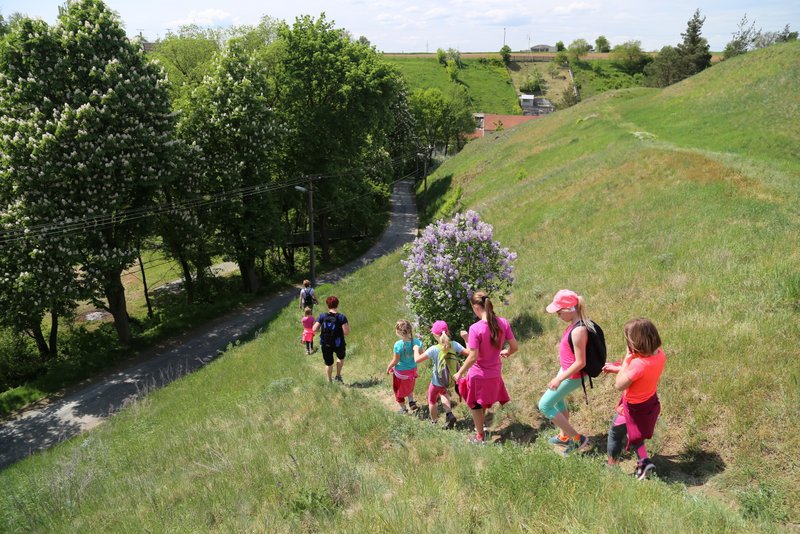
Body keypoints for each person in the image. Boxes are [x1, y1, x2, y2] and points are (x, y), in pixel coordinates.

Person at [602, 317, 666, 480]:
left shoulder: (637, 364)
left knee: (615, 434)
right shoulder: (659, 355)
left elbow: (620, 385)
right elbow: (639, 376)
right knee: (635, 434)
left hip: (631, 408)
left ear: (634, 343)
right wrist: (617, 368)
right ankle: (644, 462)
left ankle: (612, 467)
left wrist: (625, 359)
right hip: (648, 401)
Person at [453, 291, 518, 443]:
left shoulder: (475, 328)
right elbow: (514, 346)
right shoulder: (503, 322)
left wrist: (460, 372)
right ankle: (481, 429)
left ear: (476, 307)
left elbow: (473, 356)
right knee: (482, 402)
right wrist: (507, 352)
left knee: (475, 406)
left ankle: (479, 437)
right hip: (495, 373)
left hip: (478, 375)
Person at [538, 289, 593, 456]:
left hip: (573, 376)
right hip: (566, 371)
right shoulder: (574, 326)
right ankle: (563, 436)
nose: (558, 315)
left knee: (545, 405)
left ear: (569, 309)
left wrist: (559, 378)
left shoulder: (578, 330)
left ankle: (577, 439)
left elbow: (580, 362)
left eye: (559, 312)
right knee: (559, 401)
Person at [414, 320, 468, 428]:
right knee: (444, 393)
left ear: (434, 335)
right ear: (447, 332)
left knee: (432, 400)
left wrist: (415, 349)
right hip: (451, 379)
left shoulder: (434, 349)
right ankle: (449, 414)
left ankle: (434, 422)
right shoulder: (454, 344)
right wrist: (466, 339)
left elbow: (417, 360)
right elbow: (469, 353)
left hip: (437, 381)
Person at [385, 320, 422, 414]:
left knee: (398, 391)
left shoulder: (398, 344)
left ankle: (403, 409)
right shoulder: (417, 342)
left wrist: (389, 367)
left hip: (400, 373)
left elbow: (396, 361)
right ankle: (411, 401)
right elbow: (421, 355)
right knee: (409, 387)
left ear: (398, 332)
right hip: (412, 371)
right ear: (410, 330)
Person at [313, 296, 349, 383]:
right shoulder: (341, 317)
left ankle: (329, 380)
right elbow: (346, 332)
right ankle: (338, 376)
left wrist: (324, 331)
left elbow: (314, 329)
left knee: (328, 363)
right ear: (337, 304)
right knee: (340, 358)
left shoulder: (322, 316)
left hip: (326, 343)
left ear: (327, 305)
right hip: (338, 343)